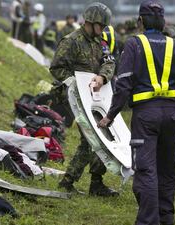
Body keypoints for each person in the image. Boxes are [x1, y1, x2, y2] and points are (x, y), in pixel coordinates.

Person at [98, 0, 175, 224]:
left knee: (146, 169)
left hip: (146, 116)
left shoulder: (134, 44)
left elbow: (122, 85)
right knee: (167, 168)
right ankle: (165, 217)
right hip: (172, 116)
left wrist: (110, 115)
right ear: (163, 22)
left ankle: (149, 221)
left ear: (140, 21)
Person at [51, 2, 118, 197]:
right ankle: (69, 181)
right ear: (91, 22)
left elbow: (109, 62)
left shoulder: (100, 42)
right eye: (101, 26)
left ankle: (95, 182)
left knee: (101, 135)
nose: (103, 30)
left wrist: (102, 77)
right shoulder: (71, 41)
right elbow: (56, 68)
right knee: (90, 139)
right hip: (74, 98)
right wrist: (77, 83)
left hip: (94, 97)